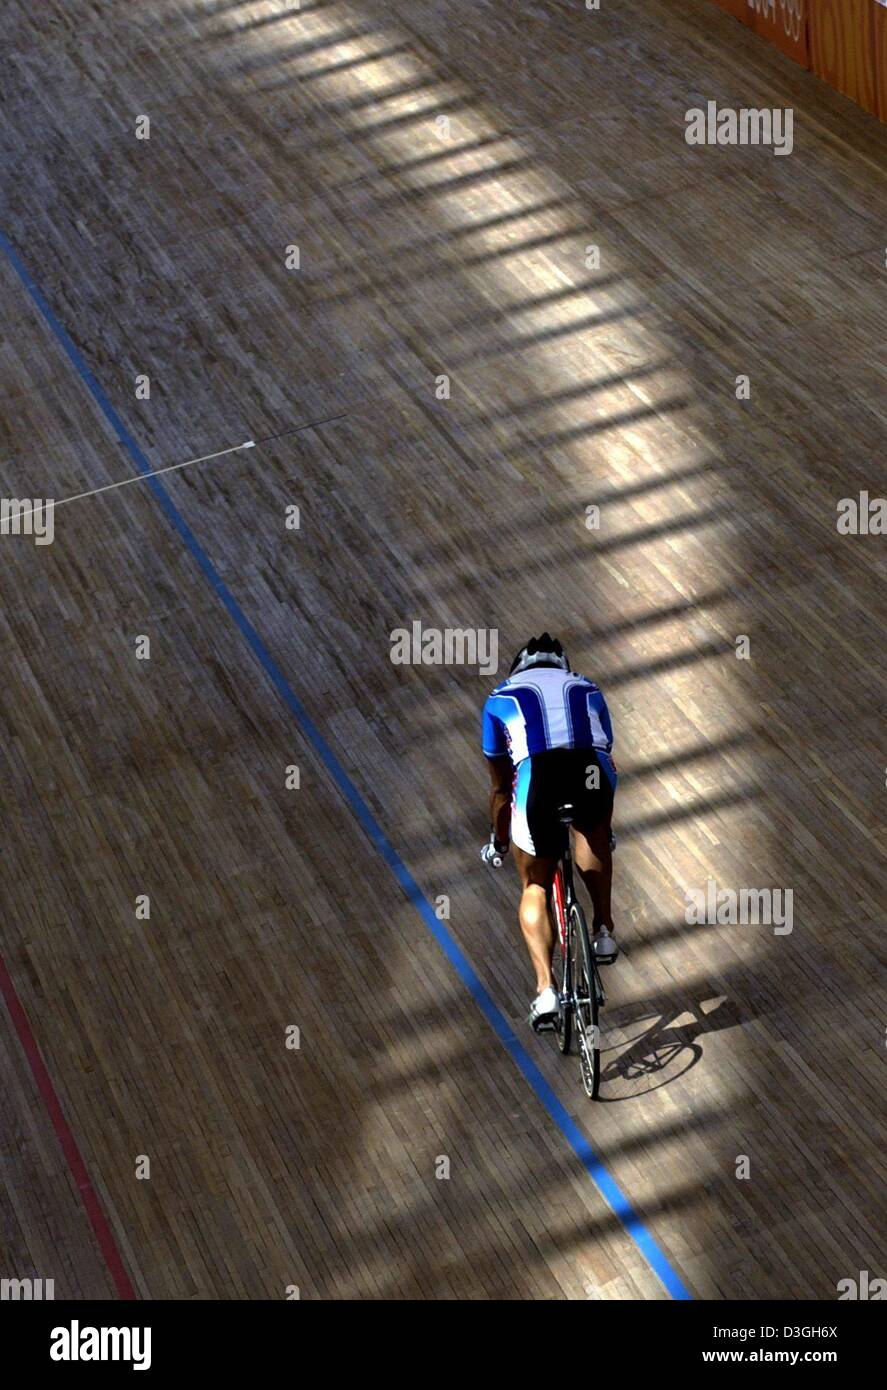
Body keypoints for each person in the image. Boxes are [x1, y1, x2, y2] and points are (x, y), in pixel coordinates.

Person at [480, 633, 618, 1030]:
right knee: (591, 835)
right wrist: (603, 827)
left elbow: (502, 789)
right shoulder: (587, 686)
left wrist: (500, 841)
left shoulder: (499, 698)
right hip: (590, 770)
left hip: (539, 778)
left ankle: (546, 992)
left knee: (535, 884)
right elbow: (607, 759)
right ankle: (604, 930)